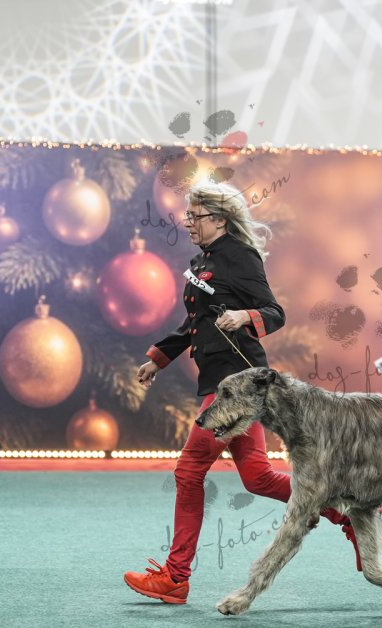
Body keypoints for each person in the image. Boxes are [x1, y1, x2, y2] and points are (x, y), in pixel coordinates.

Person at [123, 181, 361, 605]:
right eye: (187, 215)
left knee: (189, 471)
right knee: (258, 478)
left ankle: (175, 577)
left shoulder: (240, 256)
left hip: (238, 385)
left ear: (219, 219)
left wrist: (244, 316)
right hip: (221, 382)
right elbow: (194, 323)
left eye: (195, 216)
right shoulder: (202, 260)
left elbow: (275, 312)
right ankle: (347, 511)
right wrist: (159, 358)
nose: (187, 223)